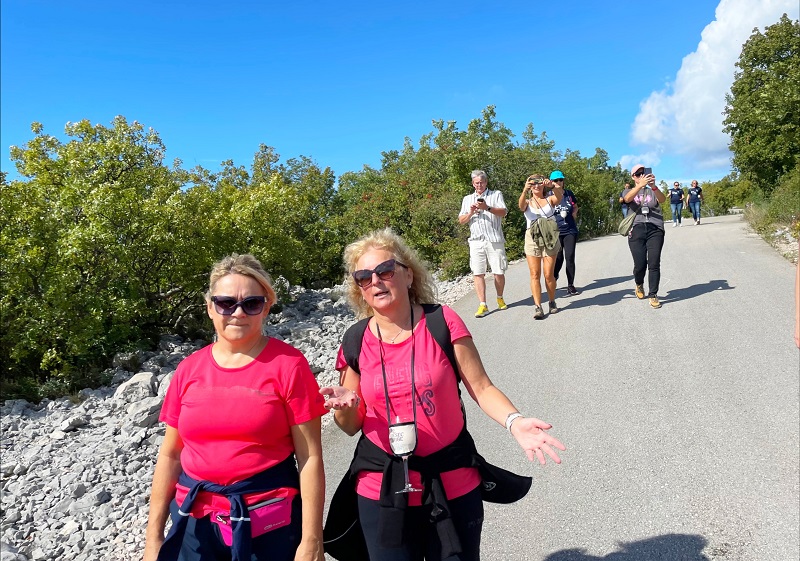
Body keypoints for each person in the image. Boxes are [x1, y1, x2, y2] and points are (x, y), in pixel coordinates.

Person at [320, 229, 565, 561]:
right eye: (364, 277)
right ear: (359, 289)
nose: (375, 281)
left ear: (407, 275)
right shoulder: (355, 339)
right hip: (381, 486)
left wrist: (514, 422)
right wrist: (347, 406)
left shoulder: (441, 322)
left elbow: (482, 387)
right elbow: (349, 425)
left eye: (385, 271)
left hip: (451, 479)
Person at [143, 254, 327, 561]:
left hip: (269, 524)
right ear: (210, 308)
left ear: (266, 306)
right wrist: (153, 538)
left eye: (251, 303)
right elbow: (171, 454)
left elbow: (310, 457)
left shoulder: (290, 366)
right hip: (195, 523)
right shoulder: (188, 370)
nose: (238, 313)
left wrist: (311, 541)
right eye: (226, 303)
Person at [458, 170, 509, 318]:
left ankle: (500, 297)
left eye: (481, 182)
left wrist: (486, 207)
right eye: (476, 183)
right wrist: (471, 213)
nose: (479, 185)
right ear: (473, 184)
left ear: (486, 182)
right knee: (477, 272)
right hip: (476, 240)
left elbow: (503, 212)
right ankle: (483, 304)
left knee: (498, 271)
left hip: (494, 239)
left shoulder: (496, 194)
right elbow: (461, 220)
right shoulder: (467, 199)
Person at [518, 174, 564, 319]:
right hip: (532, 238)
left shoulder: (549, 199)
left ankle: (551, 301)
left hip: (549, 238)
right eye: (533, 183)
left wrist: (554, 185)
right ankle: (538, 307)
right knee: (534, 274)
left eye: (538, 183)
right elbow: (521, 207)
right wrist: (524, 190)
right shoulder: (527, 201)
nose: (536, 186)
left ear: (543, 184)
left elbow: (559, 198)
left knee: (548, 274)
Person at [623, 165, 667, 309]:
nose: (641, 176)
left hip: (655, 228)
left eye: (644, 173)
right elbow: (627, 199)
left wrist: (653, 186)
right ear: (633, 177)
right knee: (640, 264)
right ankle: (639, 284)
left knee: (654, 263)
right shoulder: (628, 190)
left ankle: (653, 294)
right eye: (638, 174)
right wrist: (639, 186)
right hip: (636, 228)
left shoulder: (651, 190)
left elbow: (662, 200)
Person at [550, 170, 580, 296]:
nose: (558, 182)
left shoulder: (568, 194)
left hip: (570, 230)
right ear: (551, 182)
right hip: (555, 231)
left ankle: (571, 285)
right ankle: (554, 276)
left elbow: (576, 205)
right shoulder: (548, 195)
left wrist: (574, 213)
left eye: (560, 180)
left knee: (570, 257)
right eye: (555, 180)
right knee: (559, 258)